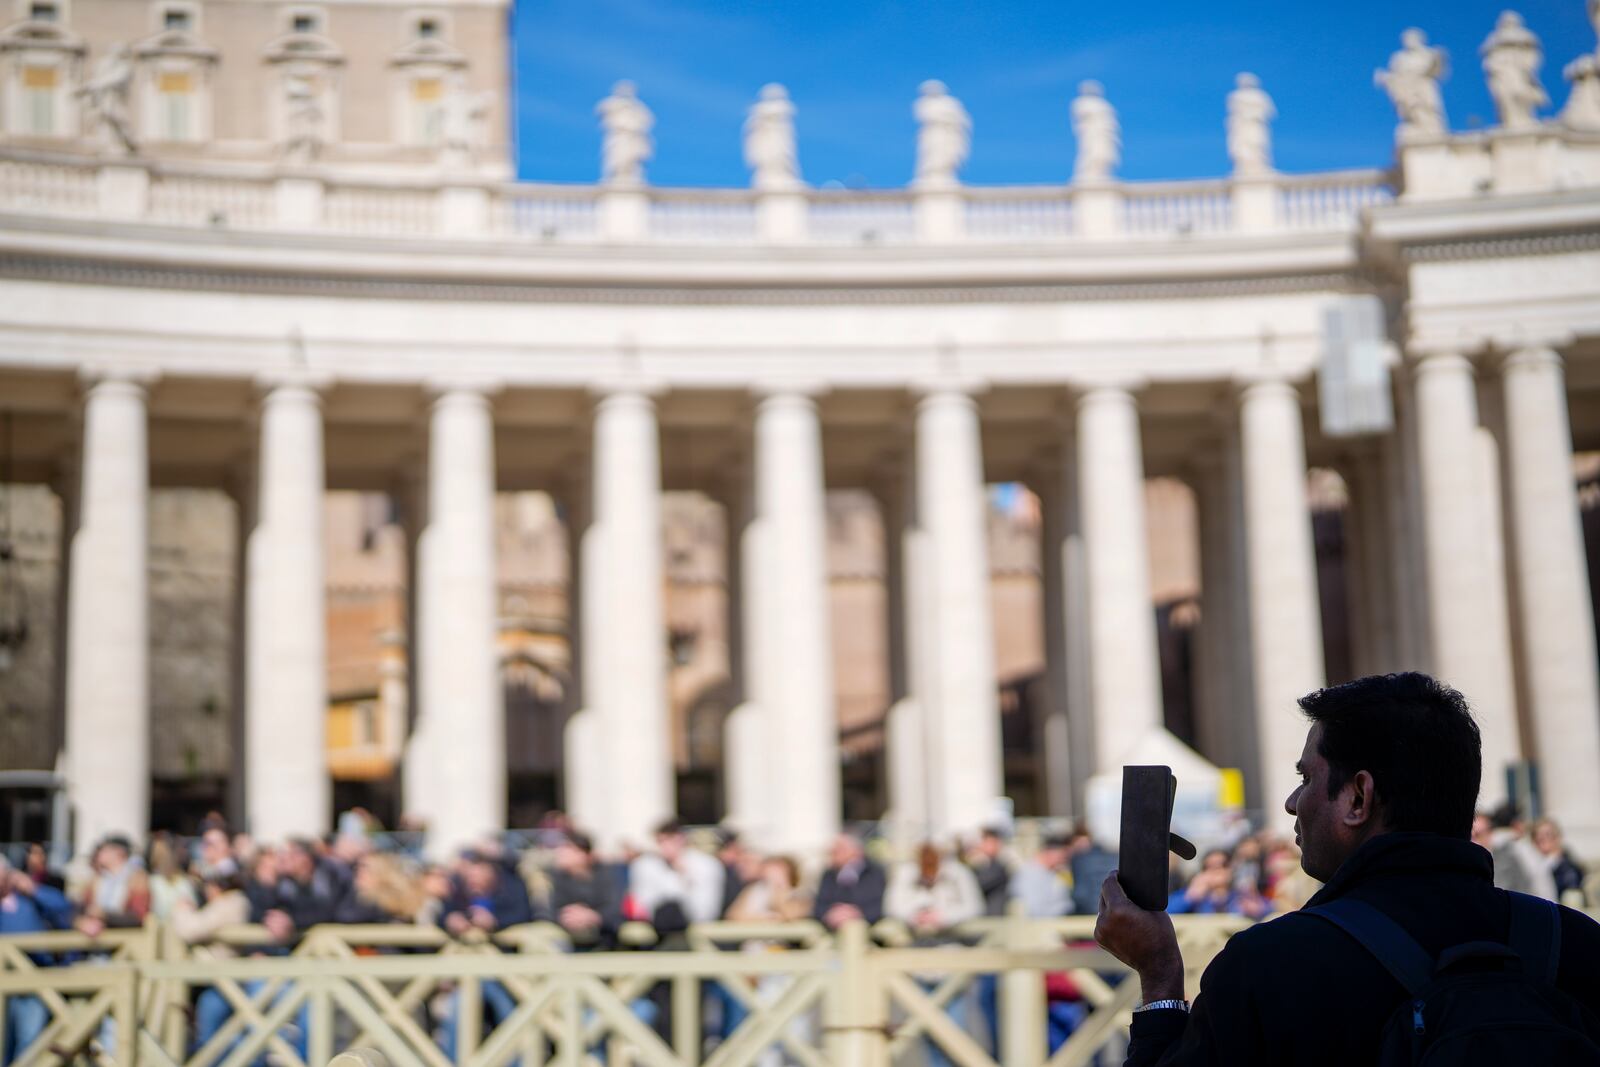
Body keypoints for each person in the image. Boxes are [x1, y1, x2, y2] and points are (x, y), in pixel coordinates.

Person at [1094, 672, 1600, 1065]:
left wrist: (1160, 979)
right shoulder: (1577, 945)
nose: (1292, 802)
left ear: (1358, 797)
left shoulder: (1267, 968)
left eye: (1306, 778)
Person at [0, 854, 74, 1066]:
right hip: (4, 980)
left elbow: (63, 907)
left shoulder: (27, 898)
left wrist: (32, 888)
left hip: (34, 982)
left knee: (30, 1042)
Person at [545, 831, 624, 949]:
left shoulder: (606, 874)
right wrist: (568, 916)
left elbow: (615, 908)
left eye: (568, 849)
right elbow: (550, 910)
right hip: (568, 930)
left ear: (583, 854)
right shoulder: (556, 877)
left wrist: (594, 916)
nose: (560, 854)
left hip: (605, 933)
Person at [76, 835, 149, 937]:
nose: (99, 854)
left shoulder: (137, 879)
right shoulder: (96, 879)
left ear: (119, 853)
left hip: (124, 938)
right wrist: (81, 922)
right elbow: (80, 908)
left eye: (104, 850)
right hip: (95, 939)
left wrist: (105, 915)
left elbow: (138, 917)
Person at [811, 833, 886, 931]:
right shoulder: (829, 874)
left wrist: (855, 913)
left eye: (839, 850)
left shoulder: (874, 872)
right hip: (832, 925)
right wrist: (831, 913)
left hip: (866, 925)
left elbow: (877, 904)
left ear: (855, 851)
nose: (833, 854)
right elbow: (819, 905)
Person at [1532, 817, 1588, 905]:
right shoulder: (1532, 863)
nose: (1541, 837)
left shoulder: (1568, 867)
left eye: (1547, 834)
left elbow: (1573, 891)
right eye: (1537, 835)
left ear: (1557, 838)